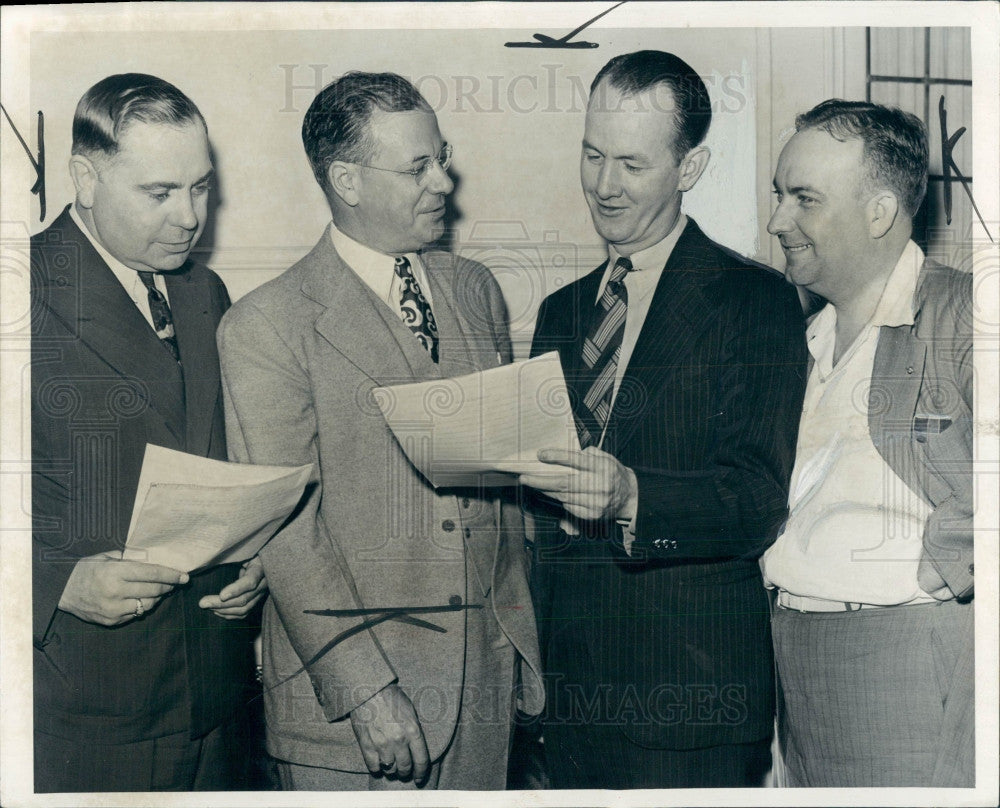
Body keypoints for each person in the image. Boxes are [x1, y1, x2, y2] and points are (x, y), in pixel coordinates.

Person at [216, 71, 543, 791]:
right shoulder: (267, 326)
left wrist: (518, 647)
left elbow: (503, 488)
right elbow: (288, 531)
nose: (443, 182)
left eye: (443, 156)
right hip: (358, 717)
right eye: (417, 166)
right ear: (347, 181)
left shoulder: (475, 290)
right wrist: (366, 690)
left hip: (486, 692)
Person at [520, 50, 808, 789]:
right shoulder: (562, 312)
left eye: (631, 164)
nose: (604, 185)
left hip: (690, 707)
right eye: (591, 155)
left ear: (690, 167)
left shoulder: (756, 302)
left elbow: (754, 501)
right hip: (569, 699)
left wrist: (630, 497)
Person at [30, 73, 266, 792]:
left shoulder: (204, 291)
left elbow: (218, 465)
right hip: (90, 698)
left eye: (201, 188)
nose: (190, 217)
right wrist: (53, 584)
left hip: (219, 690)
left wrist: (255, 560)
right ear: (85, 178)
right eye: (160, 194)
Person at [760, 99, 974, 787]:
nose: (776, 222)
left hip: (903, 660)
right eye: (778, 196)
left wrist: (946, 563)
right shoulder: (804, 340)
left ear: (879, 213)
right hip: (795, 662)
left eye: (804, 200)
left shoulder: (967, 316)